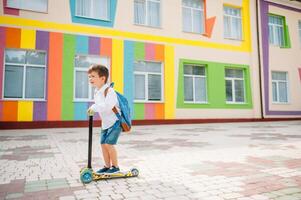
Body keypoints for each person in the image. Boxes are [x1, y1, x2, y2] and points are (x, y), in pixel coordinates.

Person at [87, 64, 121, 174]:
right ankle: (107, 166)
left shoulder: (110, 91)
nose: (90, 79)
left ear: (103, 78)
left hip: (115, 122)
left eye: (93, 76)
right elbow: (99, 106)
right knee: (103, 144)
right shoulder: (97, 92)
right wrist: (94, 108)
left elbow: (107, 106)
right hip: (105, 123)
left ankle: (115, 167)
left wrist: (93, 107)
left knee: (109, 144)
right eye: (89, 77)